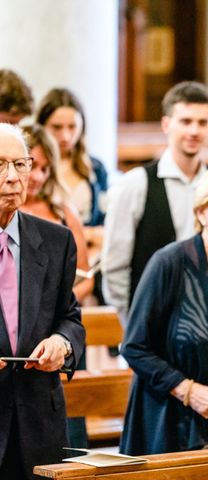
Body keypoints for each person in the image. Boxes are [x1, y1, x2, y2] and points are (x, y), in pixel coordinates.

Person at [120, 164, 208, 455]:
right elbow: (134, 347)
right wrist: (189, 391)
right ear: (202, 211)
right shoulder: (170, 262)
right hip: (169, 420)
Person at [0, 123, 85, 480]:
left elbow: (70, 318)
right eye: (0, 165)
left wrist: (61, 344)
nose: (12, 178)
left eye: (21, 165)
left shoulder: (56, 240)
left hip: (38, 422)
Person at [102, 81, 208, 324]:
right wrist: (132, 322)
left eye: (202, 123)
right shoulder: (136, 183)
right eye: (185, 121)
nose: (194, 131)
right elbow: (115, 264)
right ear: (166, 124)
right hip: (152, 317)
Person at [21, 125, 94, 303]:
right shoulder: (5, 210)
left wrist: (58, 308)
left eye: (45, 169)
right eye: (32, 165)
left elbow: (85, 278)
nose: (38, 177)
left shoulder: (65, 213)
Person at [36, 88, 109, 228]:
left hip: (90, 246)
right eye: (56, 127)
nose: (65, 136)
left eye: (72, 127)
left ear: (82, 126)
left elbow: (105, 218)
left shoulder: (96, 168)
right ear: (42, 126)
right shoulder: (33, 166)